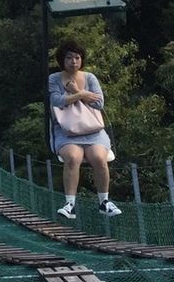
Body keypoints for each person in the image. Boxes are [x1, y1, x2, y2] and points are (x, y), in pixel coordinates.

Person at [48, 44, 121, 219]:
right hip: (66, 131)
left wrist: (76, 92)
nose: (73, 61)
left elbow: (99, 103)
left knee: (99, 158)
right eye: (69, 58)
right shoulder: (54, 79)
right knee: (73, 158)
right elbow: (56, 100)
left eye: (77, 58)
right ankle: (70, 204)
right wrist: (82, 96)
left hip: (92, 130)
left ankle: (104, 201)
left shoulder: (90, 77)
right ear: (62, 60)